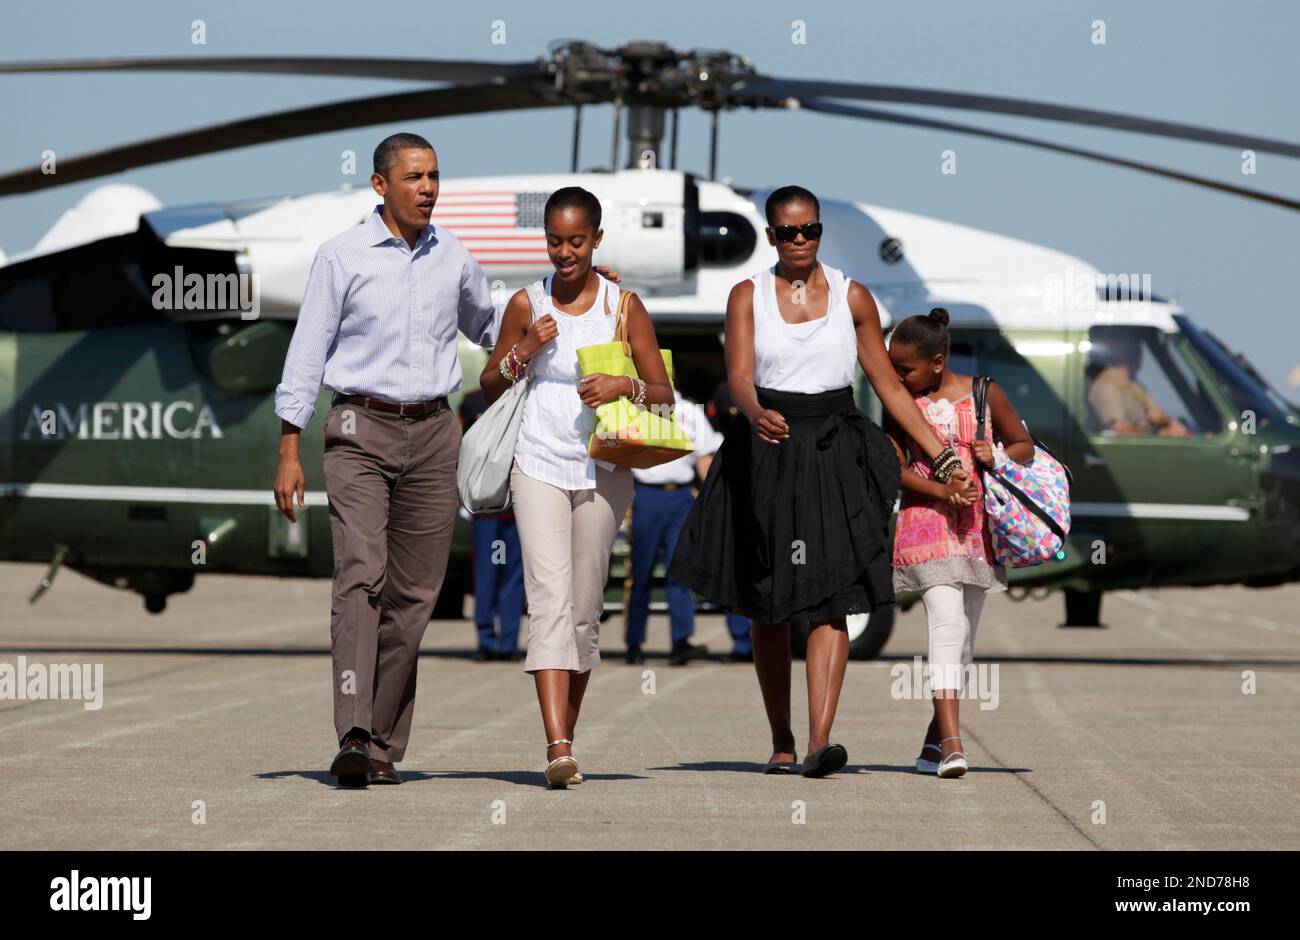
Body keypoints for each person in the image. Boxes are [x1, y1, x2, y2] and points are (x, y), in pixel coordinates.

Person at [271, 133, 620, 788]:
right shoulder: (340, 257)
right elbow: (306, 353)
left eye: (434, 176)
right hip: (358, 427)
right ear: (381, 186)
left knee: (414, 595)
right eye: (413, 177)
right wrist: (289, 446)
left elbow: (496, 329)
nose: (428, 187)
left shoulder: (453, 254)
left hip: (435, 434)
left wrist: (583, 296)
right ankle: (351, 732)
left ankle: (382, 743)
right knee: (361, 577)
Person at [667, 185, 972, 778]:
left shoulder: (853, 296)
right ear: (771, 235)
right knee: (769, 603)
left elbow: (887, 385)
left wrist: (939, 456)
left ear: (819, 232)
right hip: (768, 447)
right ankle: (780, 739)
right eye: (787, 232)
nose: (799, 240)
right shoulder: (746, 295)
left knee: (834, 597)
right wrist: (754, 415)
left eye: (809, 230)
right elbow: (740, 377)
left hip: (835, 448)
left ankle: (818, 742)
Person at [479, 186, 673, 788]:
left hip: (603, 469)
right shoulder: (525, 303)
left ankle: (567, 730)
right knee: (549, 601)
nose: (565, 252)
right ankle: (556, 745)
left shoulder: (623, 306)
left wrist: (625, 388)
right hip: (536, 463)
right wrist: (525, 350)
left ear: (596, 240)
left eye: (576, 241)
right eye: (555, 241)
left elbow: (665, 396)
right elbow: (489, 383)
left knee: (586, 613)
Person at [884, 307, 1034, 778]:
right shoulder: (900, 406)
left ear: (937, 360)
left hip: (977, 532)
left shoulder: (986, 393)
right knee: (947, 628)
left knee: (964, 643)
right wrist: (941, 488)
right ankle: (952, 745)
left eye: (903, 368)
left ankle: (931, 745)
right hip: (926, 525)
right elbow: (894, 469)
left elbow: (1024, 445)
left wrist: (999, 455)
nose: (896, 377)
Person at [623, 393, 719, 667]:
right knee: (639, 573)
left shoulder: (689, 410)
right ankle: (634, 643)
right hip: (647, 495)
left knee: (680, 570)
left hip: (679, 496)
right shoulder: (634, 410)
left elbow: (703, 457)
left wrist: (712, 497)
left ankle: (681, 641)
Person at [459, 390, 525, 662]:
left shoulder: (526, 395)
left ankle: (508, 642)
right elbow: (463, 446)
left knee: (514, 577)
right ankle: (486, 640)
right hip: (486, 508)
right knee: (486, 575)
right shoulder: (474, 401)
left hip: (515, 507)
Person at [1086, 331, 1192, 436]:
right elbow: (1118, 430)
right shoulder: (1107, 386)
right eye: (1136, 346)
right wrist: (1157, 437)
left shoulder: (1133, 386)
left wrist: (1169, 425)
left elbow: (1157, 414)